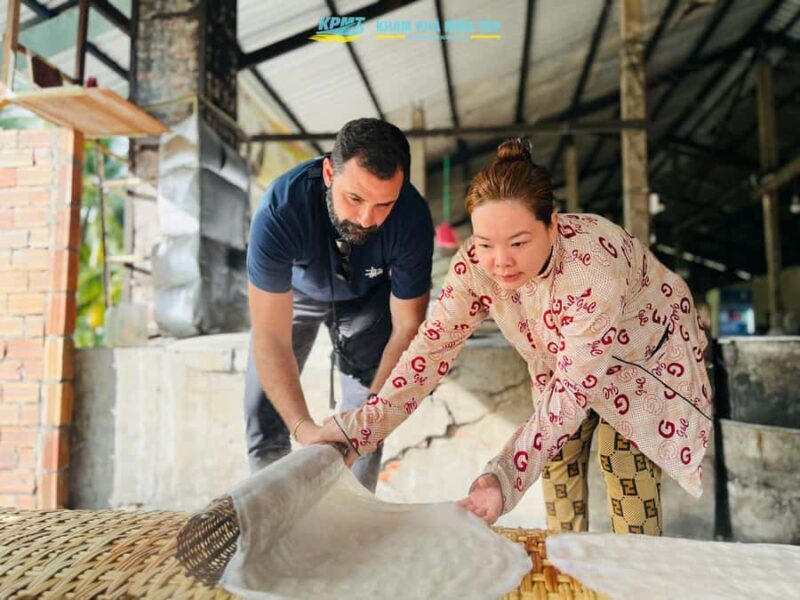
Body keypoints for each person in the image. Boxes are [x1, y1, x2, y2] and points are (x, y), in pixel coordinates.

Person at [320, 138, 713, 533]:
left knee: (624, 461)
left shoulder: (591, 269)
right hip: (569, 360)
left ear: (553, 225)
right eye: (486, 243)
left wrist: (502, 479)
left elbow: (573, 391)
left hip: (643, 358)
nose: (500, 261)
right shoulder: (474, 267)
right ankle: (564, 570)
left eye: (519, 243)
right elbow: (431, 349)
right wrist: (362, 428)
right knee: (557, 456)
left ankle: (635, 580)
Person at [245, 118, 434, 492]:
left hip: (367, 296)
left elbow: (407, 327)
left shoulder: (412, 219)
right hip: (296, 294)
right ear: (330, 172)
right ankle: (271, 515)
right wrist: (304, 428)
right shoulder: (280, 210)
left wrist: (364, 422)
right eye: (355, 198)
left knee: (370, 419)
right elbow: (270, 334)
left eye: (384, 204)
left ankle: (353, 516)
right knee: (263, 409)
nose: (367, 219)